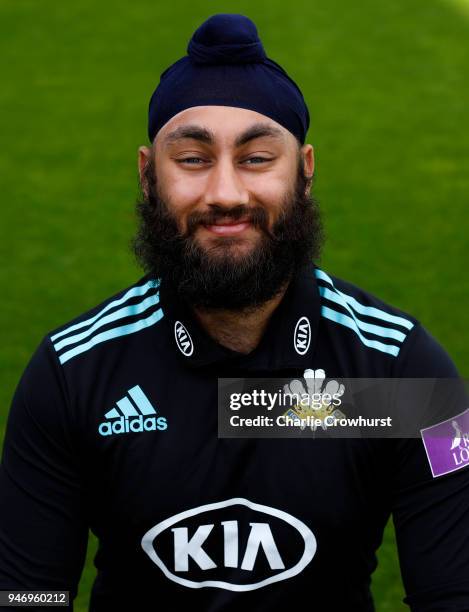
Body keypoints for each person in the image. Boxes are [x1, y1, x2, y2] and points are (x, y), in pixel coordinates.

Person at [0, 13, 468, 612]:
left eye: (256, 158)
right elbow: (27, 596)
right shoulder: (71, 376)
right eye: (193, 159)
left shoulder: (411, 383)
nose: (225, 194)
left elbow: (455, 595)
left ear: (304, 173)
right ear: (148, 177)